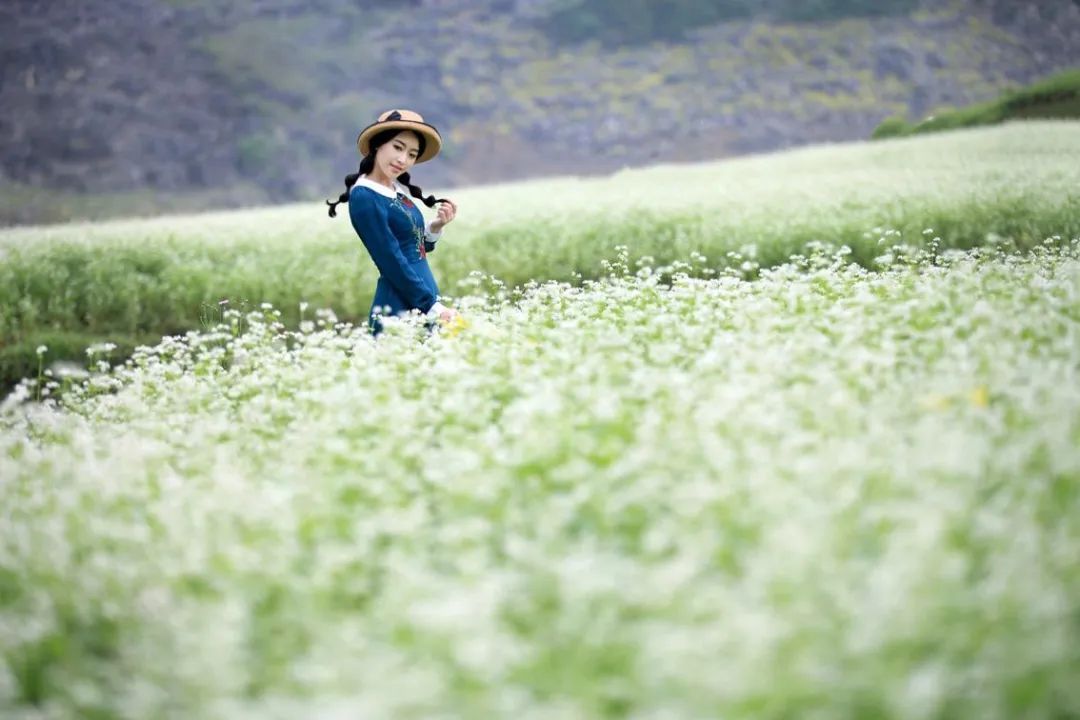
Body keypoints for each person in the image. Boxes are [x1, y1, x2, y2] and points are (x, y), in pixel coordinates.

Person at [326, 109, 459, 335]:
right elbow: (390, 258)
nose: (402, 160)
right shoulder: (365, 196)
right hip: (399, 305)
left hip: (422, 299)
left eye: (411, 154)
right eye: (398, 147)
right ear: (378, 144)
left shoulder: (395, 191)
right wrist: (431, 306)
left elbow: (413, 247)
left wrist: (435, 227)